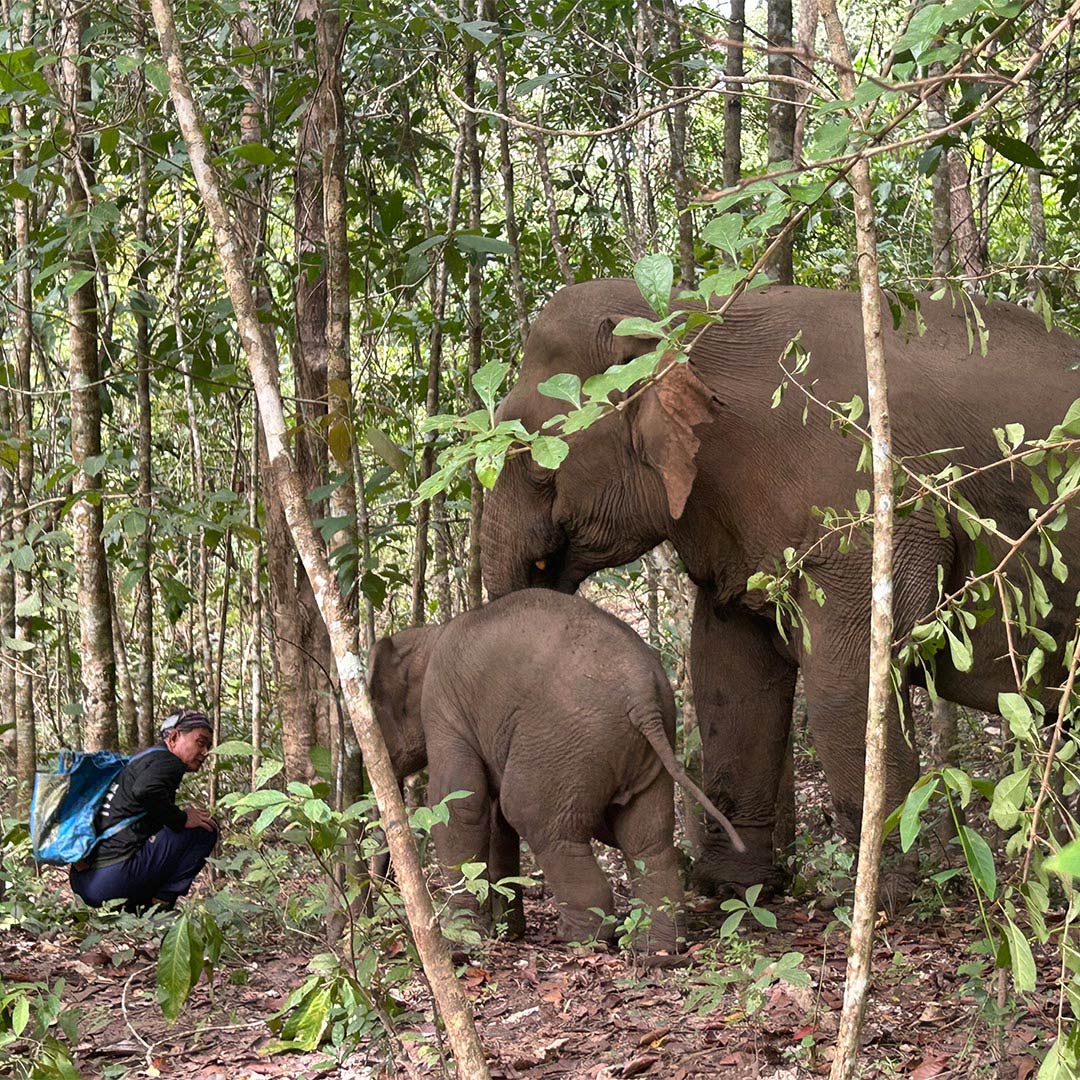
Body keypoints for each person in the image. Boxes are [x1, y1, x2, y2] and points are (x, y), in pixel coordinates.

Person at [70, 709, 219, 912]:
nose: (205, 752)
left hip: (83, 883)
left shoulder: (142, 759)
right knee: (206, 827)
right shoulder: (169, 762)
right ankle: (160, 905)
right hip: (112, 881)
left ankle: (136, 905)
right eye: (200, 743)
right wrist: (182, 818)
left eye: (208, 746)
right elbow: (146, 791)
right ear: (174, 737)